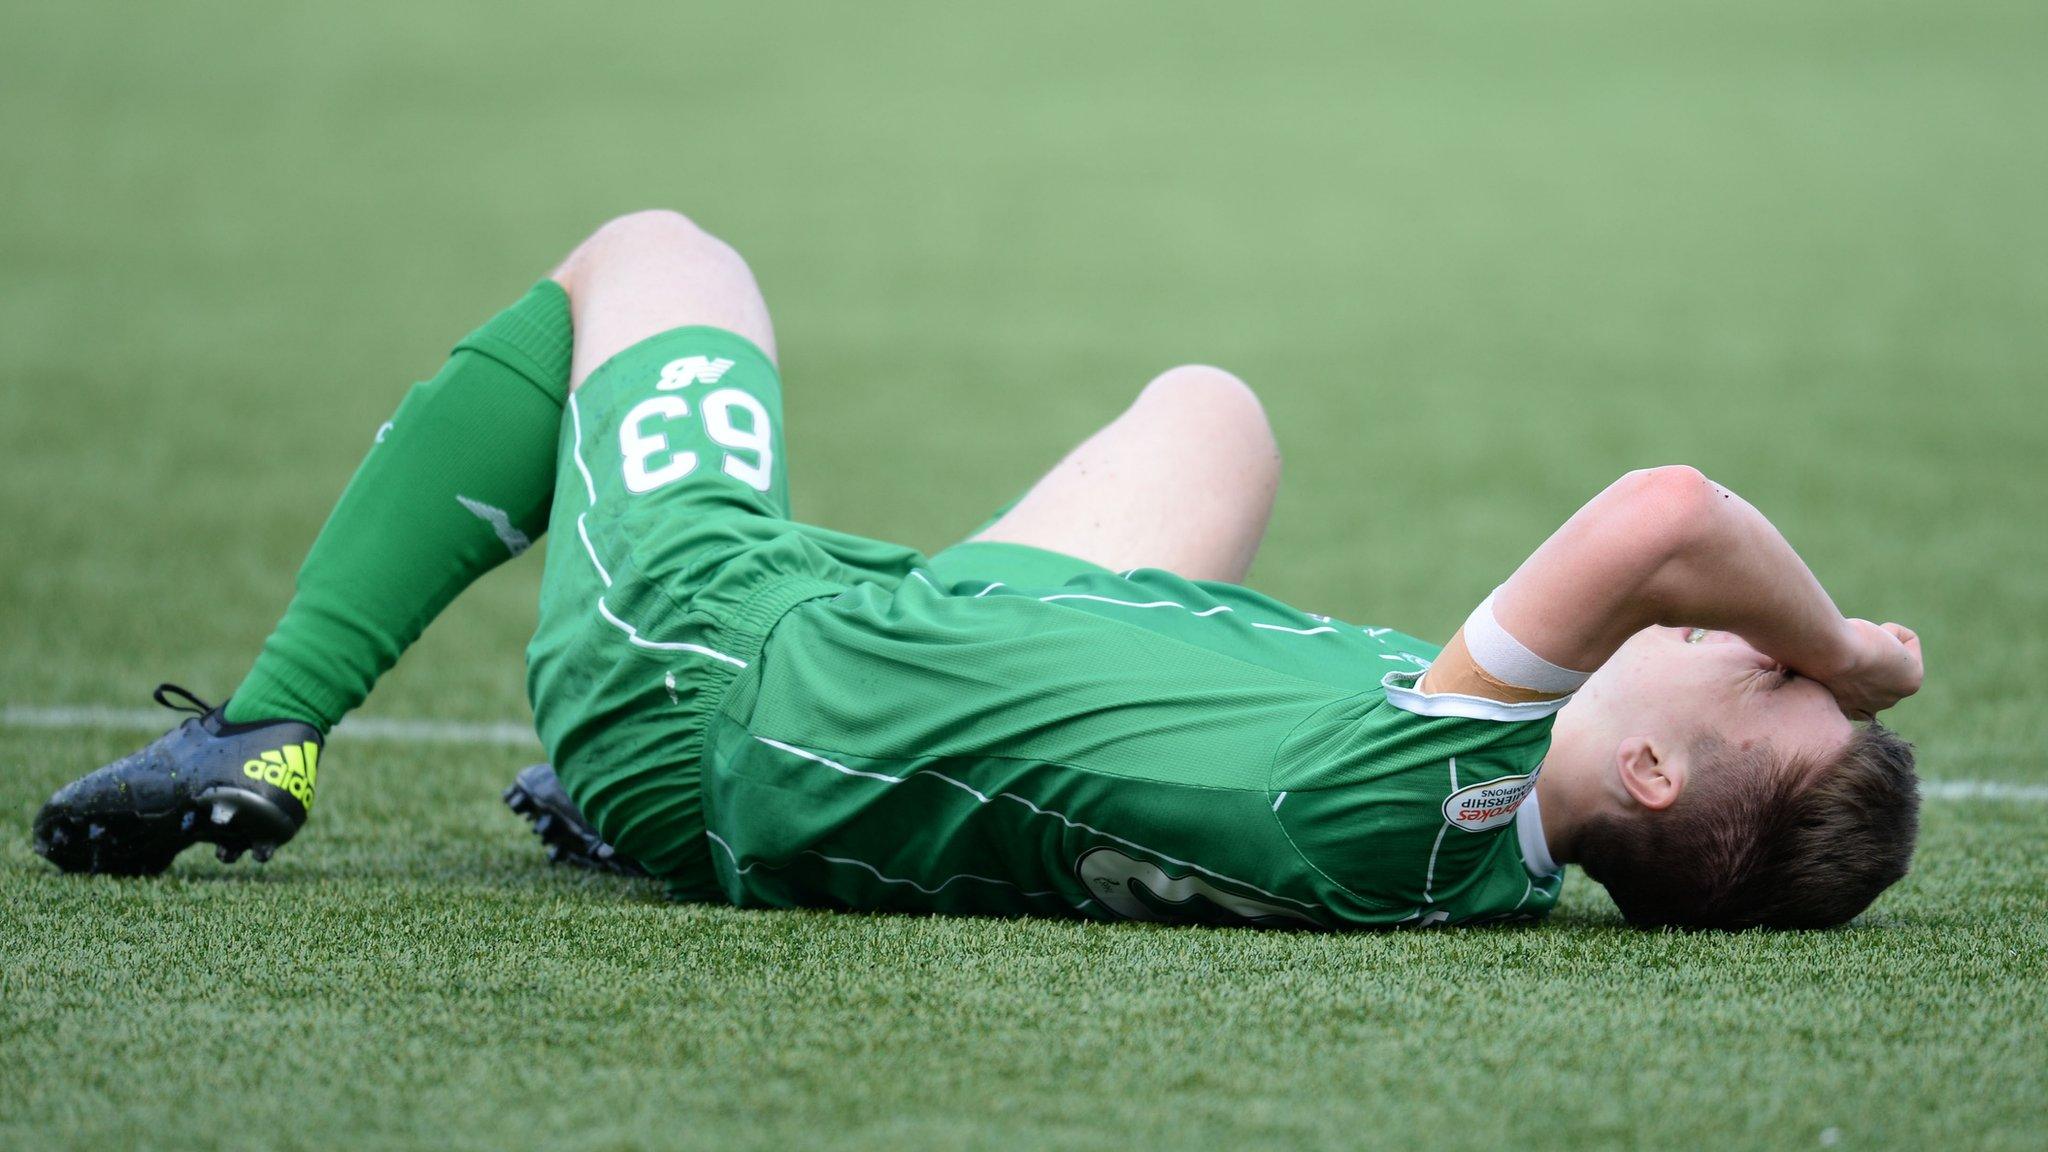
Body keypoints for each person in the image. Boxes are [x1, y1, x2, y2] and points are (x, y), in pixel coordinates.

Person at [32, 210, 1925, 930]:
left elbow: (1669, 510)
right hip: (923, 665)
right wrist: (1792, 686)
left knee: (657, 257)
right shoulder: (1483, 868)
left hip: (714, 683)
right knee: (1216, 417)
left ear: (1654, 776)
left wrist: (1847, 640)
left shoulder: (1439, 782)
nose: (1739, 638)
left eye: (1760, 682)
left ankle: (268, 726)